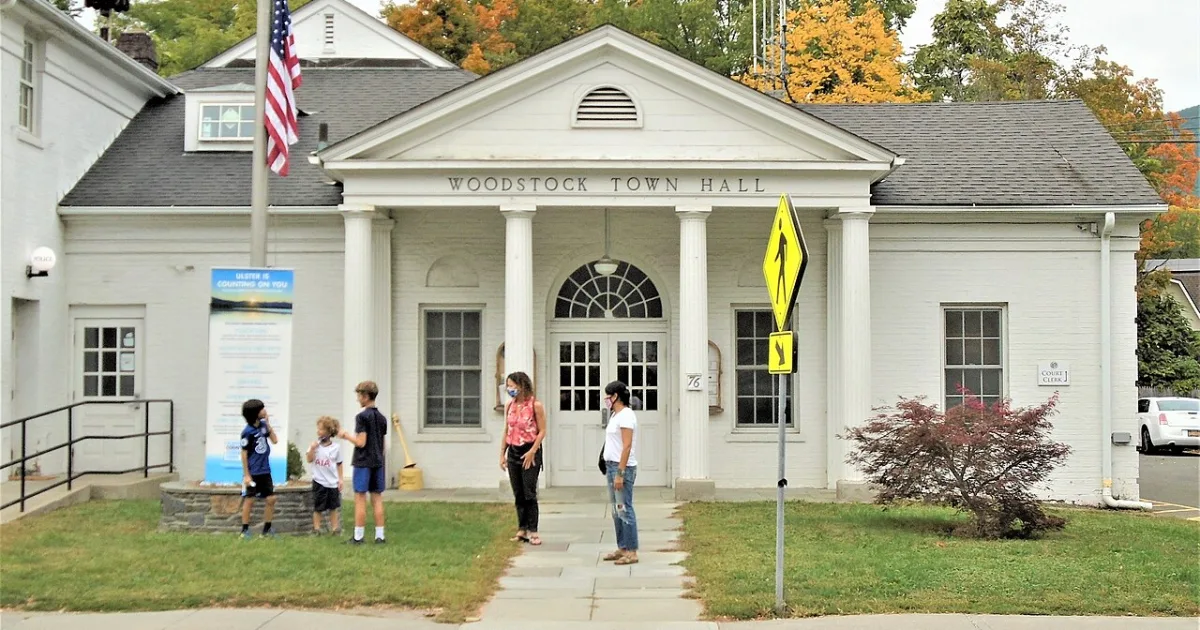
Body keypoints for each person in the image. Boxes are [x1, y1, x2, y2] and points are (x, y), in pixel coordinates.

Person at [498, 371, 547, 546]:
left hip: (529, 451)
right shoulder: (510, 406)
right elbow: (507, 430)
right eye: (508, 386)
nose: (510, 389)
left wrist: (533, 450)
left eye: (513, 385)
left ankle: (533, 530)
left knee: (529, 492)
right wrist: (502, 453)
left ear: (522, 385)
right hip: (513, 451)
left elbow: (542, 431)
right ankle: (522, 528)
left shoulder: (535, 405)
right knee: (518, 493)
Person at [338, 381, 388, 544]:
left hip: (363, 462)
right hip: (378, 462)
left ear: (365, 396)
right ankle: (380, 536)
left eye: (359, 395)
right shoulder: (382, 418)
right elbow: (383, 443)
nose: (358, 399)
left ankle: (358, 536)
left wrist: (345, 435)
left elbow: (361, 442)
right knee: (377, 497)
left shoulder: (361, 417)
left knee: (360, 497)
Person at [601, 381, 639, 565]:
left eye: (608, 395)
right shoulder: (615, 416)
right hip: (611, 466)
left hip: (621, 468)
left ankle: (632, 551)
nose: (606, 399)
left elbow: (627, 445)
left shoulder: (626, 416)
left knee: (625, 509)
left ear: (616, 396)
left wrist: (620, 473)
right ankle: (622, 547)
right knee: (617, 510)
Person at [239, 399, 278, 540]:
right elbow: (244, 454)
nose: (265, 410)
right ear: (255, 413)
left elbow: (275, 440)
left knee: (271, 498)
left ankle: (266, 530)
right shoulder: (247, 432)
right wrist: (247, 475)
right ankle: (244, 530)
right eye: (262, 409)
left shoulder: (263, 426)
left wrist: (268, 424)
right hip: (254, 472)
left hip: (265, 470)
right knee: (250, 500)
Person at [307, 415, 344, 536]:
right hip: (319, 481)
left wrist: (340, 479)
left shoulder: (336, 448)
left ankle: (335, 529)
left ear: (328, 432)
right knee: (318, 507)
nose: (318, 432)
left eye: (321, 429)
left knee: (333, 507)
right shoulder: (315, 446)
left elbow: (339, 464)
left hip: (332, 482)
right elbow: (309, 459)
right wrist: (312, 449)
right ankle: (316, 529)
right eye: (318, 429)